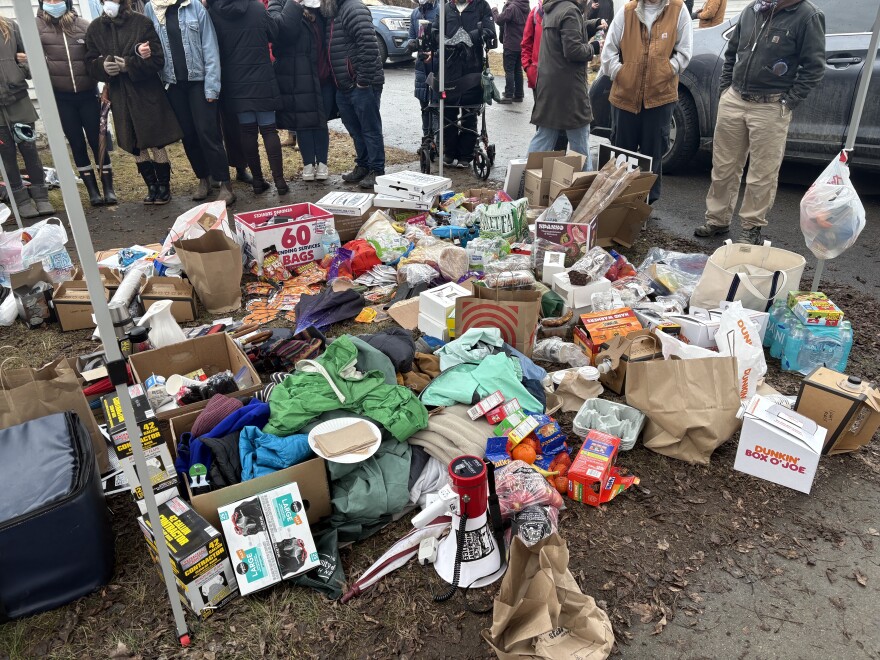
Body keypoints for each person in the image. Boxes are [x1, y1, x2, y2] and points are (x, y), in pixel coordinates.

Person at [695, 0, 825, 245]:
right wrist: (725, 91)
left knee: (762, 173)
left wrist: (788, 102)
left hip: (771, 105)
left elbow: (814, 67)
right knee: (723, 166)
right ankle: (717, 220)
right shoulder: (753, 9)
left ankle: (751, 226)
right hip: (734, 98)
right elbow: (732, 53)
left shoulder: (808, 16)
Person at [86, 0, 183, 205]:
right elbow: (90, 61)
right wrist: (103, 68)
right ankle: (151, 186)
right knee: (135, 144)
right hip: (120, 95)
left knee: (155, 141)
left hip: (146, 93)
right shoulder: (95, 28)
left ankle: (164, 186)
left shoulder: (142, 23)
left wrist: (130, 64)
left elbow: (158, 59)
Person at [601, 0, 693, 205]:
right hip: (625, 97)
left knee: (653, 154)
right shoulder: (627, 11)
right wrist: (621, 73)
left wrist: (666, 70)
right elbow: (609, 51)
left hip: (660, 97)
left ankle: (645, 205)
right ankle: (618, 203)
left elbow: (684, 52)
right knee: (622, 154)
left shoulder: (678, 10)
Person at [144, 0, 235, 204]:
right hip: (172, 84)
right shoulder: (152, 8)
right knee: (188, 135)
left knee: (207, 133)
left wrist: (212, 86)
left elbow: (210, 47)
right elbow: (151, 44)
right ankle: (203, 178)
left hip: (199, 82)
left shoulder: (194, 7)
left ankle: (224, 183)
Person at [38, 0, 116, 208]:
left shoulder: (83, 25)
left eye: (58, 0)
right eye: (49, 0)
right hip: (62, 98)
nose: (53, 3)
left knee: (96, 140)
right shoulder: (37, 28)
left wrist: (105, 85)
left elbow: (98, 57)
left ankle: (108, 188)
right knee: (77, 143)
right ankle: (92, 191)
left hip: (88, 94)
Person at [209, 0, 287, 194]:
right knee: (269, 130)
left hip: (235, 81)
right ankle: (280, 182)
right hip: (262, 77)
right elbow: (274, 33)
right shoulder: (257, 7)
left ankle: (258, 181)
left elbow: (213, 45)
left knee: (247, 131)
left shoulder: (213, 11)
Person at [527, 0, 603, 164]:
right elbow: (573, 50)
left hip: (550, 86)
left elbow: (569, 31)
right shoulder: (570, 11)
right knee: (580, 143)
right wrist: (594, 47)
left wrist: (593, 24)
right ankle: (583, 186)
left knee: (544, 137)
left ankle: (524, 180)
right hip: (569, 90)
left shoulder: (553, 8)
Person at [323, 0, 386, 188]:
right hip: (344, 85)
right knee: (355, 129)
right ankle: (363, 165)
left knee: (370, 129)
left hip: (362, 84)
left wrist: (362, 81)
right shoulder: (334, 12)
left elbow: (368, 44)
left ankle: (377, 170)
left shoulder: (354, 8)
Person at [268, 0, 333, 182]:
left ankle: (322, 163)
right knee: (303, 120)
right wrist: (294, 4)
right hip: (297, 75)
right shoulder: (280, 3)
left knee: (320, 120)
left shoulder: (320, 6)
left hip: (321, 74)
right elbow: (281, 32)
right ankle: (307, 163)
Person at [0, 17, 55, 219]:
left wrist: (21, 67)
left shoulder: (10, 26)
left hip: (19, 100)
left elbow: (29, 59)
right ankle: (21, 200)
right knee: (6, 155)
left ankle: (41, 197)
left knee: (29, 149)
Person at [432, 0, 496, 168]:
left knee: (469, 113)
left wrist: (471, 36)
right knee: (448, 113)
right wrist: (446, 40)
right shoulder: (446, 8)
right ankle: (449, 152)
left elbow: (490, 31)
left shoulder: (482, 6)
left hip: (472, 69)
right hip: (449, 69)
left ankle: (466, 154)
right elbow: (435, 30)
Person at [521, 0, 566, 151]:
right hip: (539, 78)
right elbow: (526, 43)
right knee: (543, 123)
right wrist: (528, 68)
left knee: (562, 124)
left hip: (561, 77)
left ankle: (558, 162)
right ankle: (539, 164)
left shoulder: (566, 11)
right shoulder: (535, 13)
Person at [406, 0, 439, 145]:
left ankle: (438, 141)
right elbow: (411, 36)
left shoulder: (441, 11)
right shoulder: (415, 13)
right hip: (421, 66)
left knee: (437, 106)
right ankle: (427, 139)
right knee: (424, 105)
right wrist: (411, 43)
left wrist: (435, 53)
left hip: (437, 65)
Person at [492, 0, 529, 104]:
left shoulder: (512, 7)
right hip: (522, 44)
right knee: (518, 69)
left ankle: (508, 95)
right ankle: (518, 95)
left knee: (509, 70)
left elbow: (499, 20)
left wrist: (494, 11)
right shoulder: (526, 7)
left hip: (511, 44)